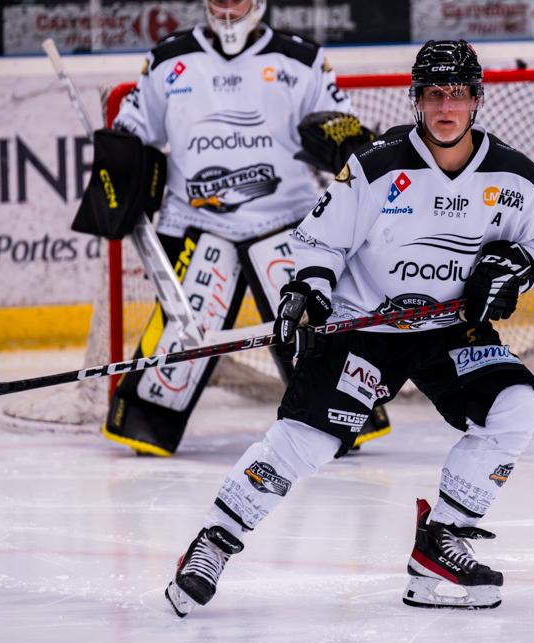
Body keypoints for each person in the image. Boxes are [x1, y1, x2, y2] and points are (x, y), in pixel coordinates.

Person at [163, 39, 534, 615]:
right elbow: (318, 242)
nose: (447, 107)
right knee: (308, 443)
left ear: (477, 100)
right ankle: (213, 544)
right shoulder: (376, 167)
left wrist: (516, 269)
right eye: (434, 94)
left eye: (459, 94)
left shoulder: (515, 175)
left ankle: (441, 539)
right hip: (363, 327)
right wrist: (308, 292)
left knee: (517, 407)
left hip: (449, 329)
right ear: (417, 100)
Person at [77, 0, 390, 457]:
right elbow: (134, 128)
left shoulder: (301, 60)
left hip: (289, 222)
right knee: (167, 370)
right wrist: (119, 160)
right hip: (195, 222)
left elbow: (342, 132)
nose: (227, 5)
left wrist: (347, 145)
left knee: (314, 329)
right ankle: (149, 420)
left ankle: (339, 416)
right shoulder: (169, 60)